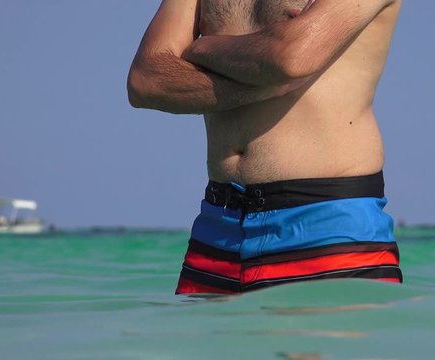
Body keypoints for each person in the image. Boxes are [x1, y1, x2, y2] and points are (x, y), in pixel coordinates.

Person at [128, 0, 403, 294]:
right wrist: (268, 74)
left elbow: (291, 57)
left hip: (327, 228)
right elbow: (146, 79)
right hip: (217, 230)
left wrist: (200, 48)